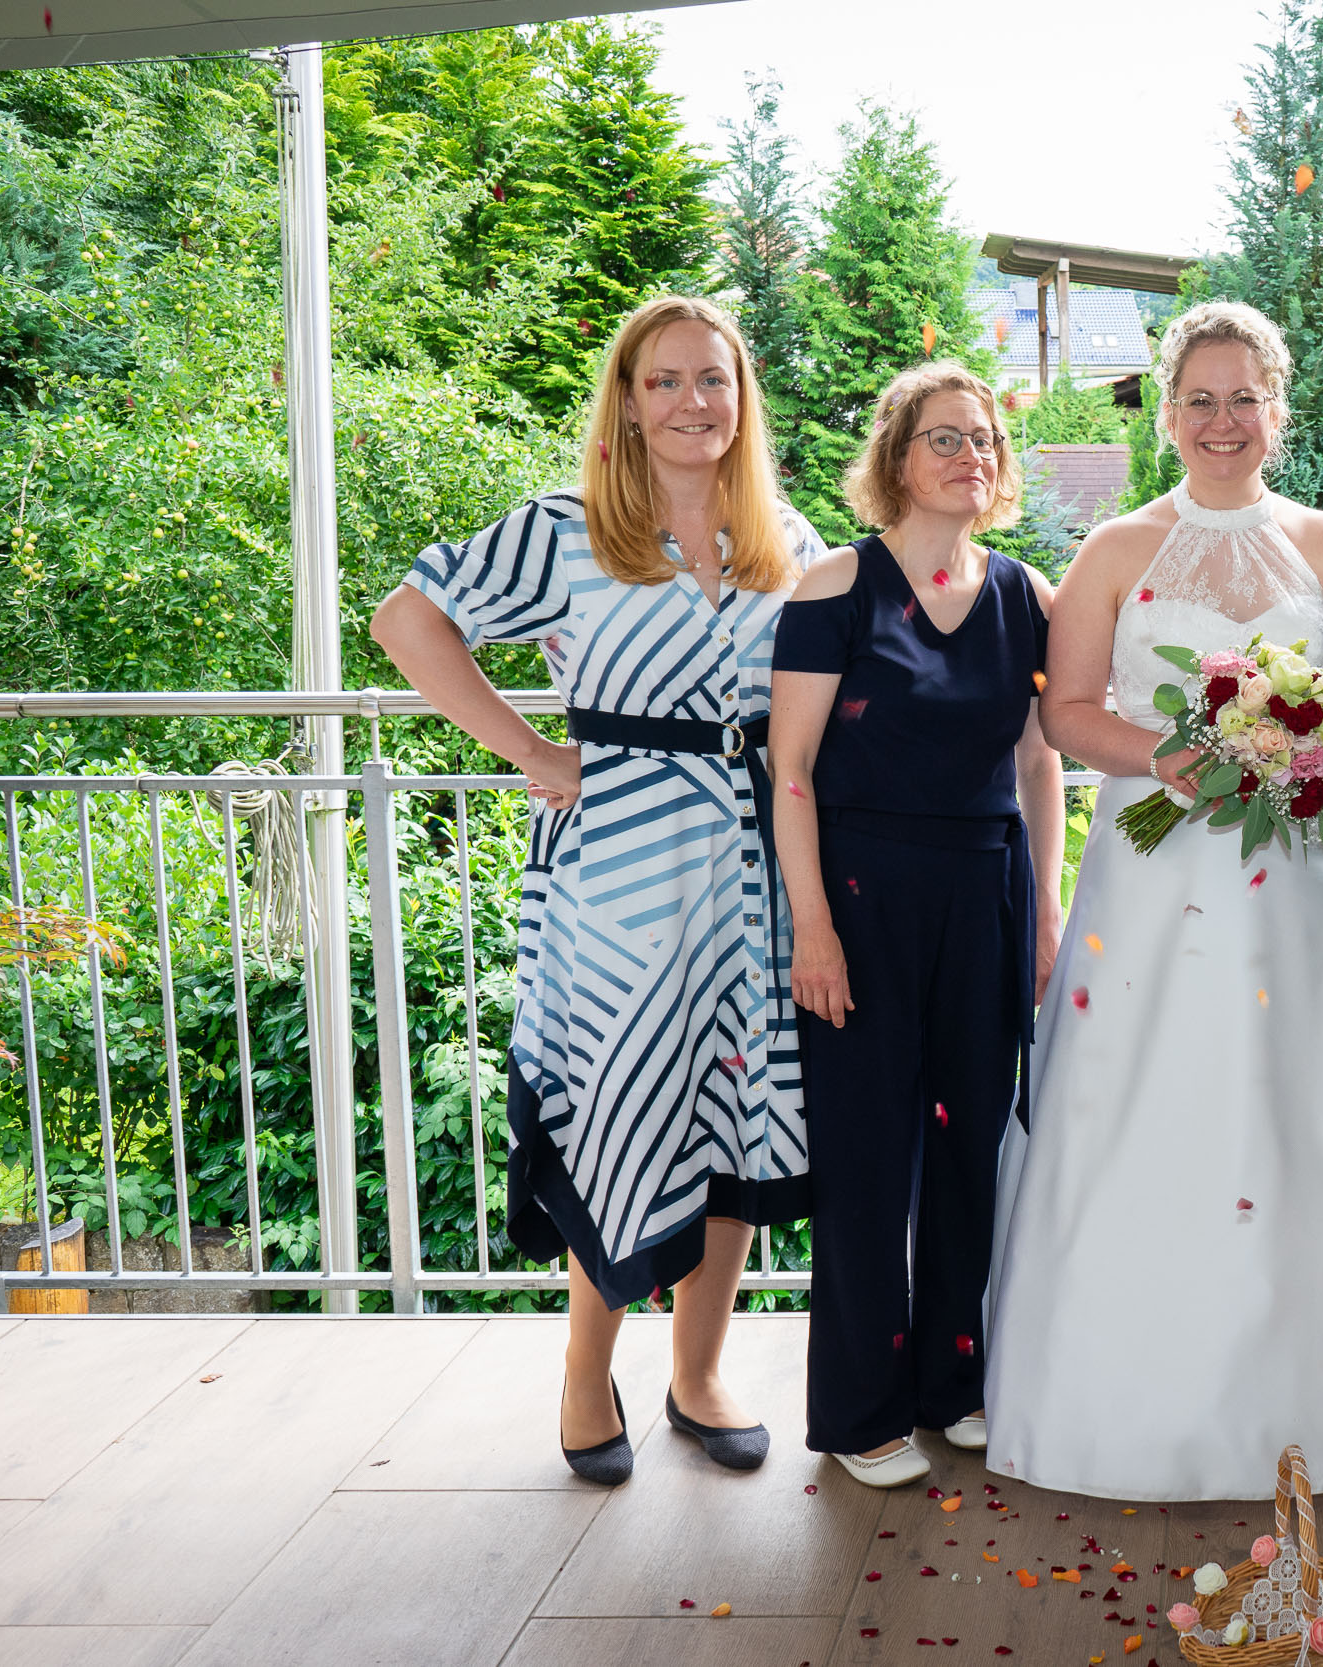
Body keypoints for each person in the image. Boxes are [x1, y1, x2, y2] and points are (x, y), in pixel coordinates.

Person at [984, 301, 1323, 1500]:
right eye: (1200, 399)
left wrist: (1295, 743)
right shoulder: (1115, 549)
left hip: (1294, 874)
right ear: (1167, 413)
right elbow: (1063, 712)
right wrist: (1166, 757)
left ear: (1278, 410)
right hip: (1151, 874)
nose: (1223, 421)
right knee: (1147, 1093)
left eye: (1244, 398)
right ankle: (1126, 1390)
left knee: (1310, 1094)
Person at [371, 295, 815, 1485]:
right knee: (619, 1104)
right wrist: (531, 749)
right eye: (663, 380)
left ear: (741, 398)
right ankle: (583, 1371)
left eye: (712, 379)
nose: (691, 402)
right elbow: (406, 622)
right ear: (625, 399)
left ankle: (698, 1371)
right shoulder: (564, 531)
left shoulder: (787, 541)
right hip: (620, 875)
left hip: (749, 873)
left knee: (731, 1111)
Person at [768, 362, 1063, 1490]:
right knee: (866, 1157)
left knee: (969, 1148)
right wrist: (811, 926)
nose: (969, 455)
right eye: (944, 437)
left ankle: (953, 1384)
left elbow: (1039, 762)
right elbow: (791, 769)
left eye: (984, 438)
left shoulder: (1025, 594)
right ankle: (859, 1409)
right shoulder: (835, 585)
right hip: (860, 899)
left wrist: (1043, 909)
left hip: (986, 893)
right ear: (896, 455)